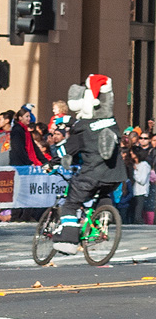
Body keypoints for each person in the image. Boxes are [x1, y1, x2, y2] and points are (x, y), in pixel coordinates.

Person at [54, 75, 126, 254]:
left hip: (92, 174)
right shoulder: (112, 121)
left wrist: (52, 161)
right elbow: (93, 125)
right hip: (115, 175)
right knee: (103, 192)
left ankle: (69, 241)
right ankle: (104, 217)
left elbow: (66, 150)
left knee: (70, 203)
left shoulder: (81, 130)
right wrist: (71, 121)